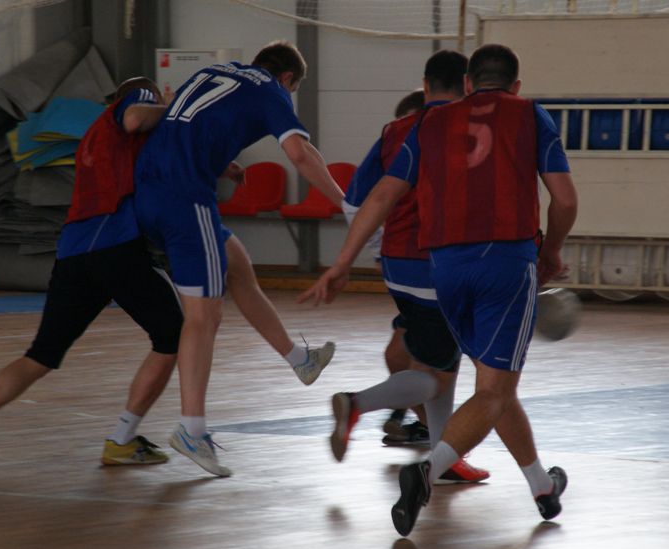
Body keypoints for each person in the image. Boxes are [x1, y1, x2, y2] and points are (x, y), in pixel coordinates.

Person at [301, 44, 579, 536]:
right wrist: (551, 251)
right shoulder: (529, 114)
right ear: (515, 86)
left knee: (495, 386)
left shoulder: (429, 123)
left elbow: (380, 195)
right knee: (493, 390)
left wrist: (342, 262)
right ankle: (427, 472)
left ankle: (542, 486)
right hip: (505, 263)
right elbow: (565, 200)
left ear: (469, 85)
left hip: (444, 269)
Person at [0, 78, 181, 471]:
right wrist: (170, 107)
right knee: (174, 335)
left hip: (72, 253)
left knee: (41, 355)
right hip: (114, 244)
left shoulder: (96, 138)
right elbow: (138, 117)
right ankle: (122, 439)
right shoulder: (133, 106)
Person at [134, 41, 344, 478]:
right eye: (292, 89)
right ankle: (192, 429)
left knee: (238, 266)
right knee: (203, 317)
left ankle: (299, 360)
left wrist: (223, 162)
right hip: (185, 199)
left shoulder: (216, 72)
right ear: (287, 78)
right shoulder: (270, 90)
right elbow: (301, 154)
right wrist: (348, 205)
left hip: (150, 188)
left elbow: (185, 123)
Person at [327, 51, 489, 485]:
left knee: (441, 362)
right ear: (468, 86)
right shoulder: (474, 130)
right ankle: (356, 403)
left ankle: (443, 456)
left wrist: (376, 249)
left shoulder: (394, 131)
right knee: (436, 378)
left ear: (425, 83)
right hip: (444, 265)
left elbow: (355, 201)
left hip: (398, 267)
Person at [343, 88, 431, 446]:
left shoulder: (400, 136)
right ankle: (426, 427)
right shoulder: (409, 140)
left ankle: (365, 405)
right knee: (401, 355)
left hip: (436, 267)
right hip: (421, 267)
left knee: (433, 366)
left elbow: (354, 202)